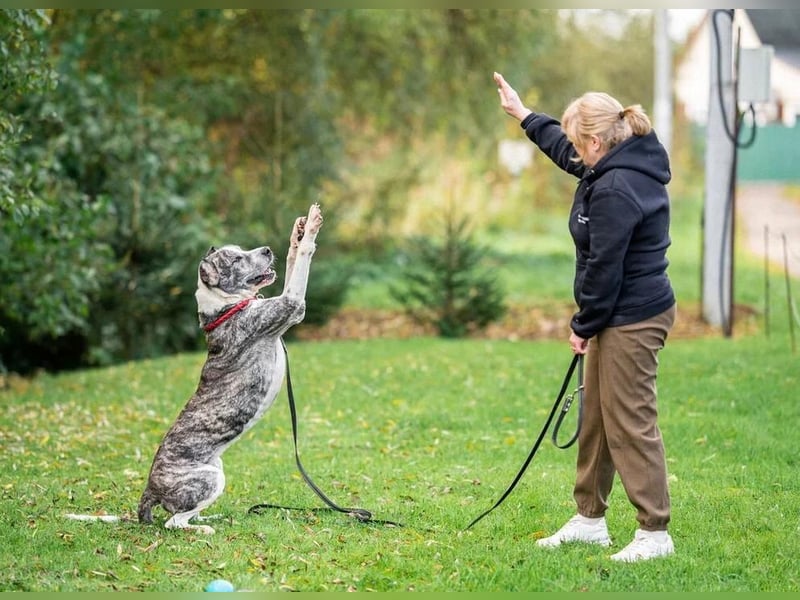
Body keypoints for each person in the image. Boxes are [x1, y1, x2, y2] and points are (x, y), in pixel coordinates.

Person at [492, 72, 677, 563]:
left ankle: (654, 533)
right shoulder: (616, 160)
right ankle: (589, 520)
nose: (575, 154)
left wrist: (583, 324)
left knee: (630, 420)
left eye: (580, 144)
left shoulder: (618, 187)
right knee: (596, 415)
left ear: (597, 141)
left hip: (633, 315)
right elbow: (563, 148)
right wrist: (524, 115)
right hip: (617, 311)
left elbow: (605, 268)